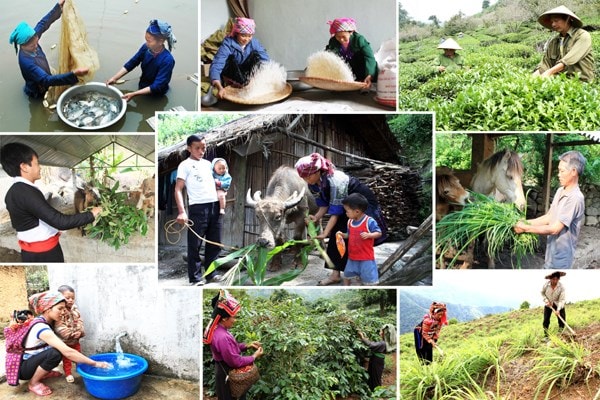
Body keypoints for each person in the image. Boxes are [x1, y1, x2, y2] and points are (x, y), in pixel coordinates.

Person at [295, 153, 388, 286]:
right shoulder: (315, 183)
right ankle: (335, 275)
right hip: (345, 205)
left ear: (317, 171)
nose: (306, 179)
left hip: (360, 204)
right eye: (303, 177)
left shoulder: (335, 181)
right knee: (337, 235)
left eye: (308, 176)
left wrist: (325, 233)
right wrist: (316, 217)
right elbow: (324, 204)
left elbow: (336, 212)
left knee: (358, 236)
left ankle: (362, 271)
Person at [0, 142, 102, 263]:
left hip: (34, 252)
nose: (40, 167)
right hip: (44, 254)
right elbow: (60, 222)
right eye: (37, 163)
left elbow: (34, 220)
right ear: (24, 167)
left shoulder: (14, 192)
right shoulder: (26, 193)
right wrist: (92, 214)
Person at [21, 291, 110, 396]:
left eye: (64, 308)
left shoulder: (47, 321)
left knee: (55, 352)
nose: (63, 312)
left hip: (32, 361)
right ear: (48, 309)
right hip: (24, 369)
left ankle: (43, 373)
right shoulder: (41, 327)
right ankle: (33, 383)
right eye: (60, 308)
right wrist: (95, 363)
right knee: (55, 353)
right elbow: (68, 352)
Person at [514, 150, 586, 269]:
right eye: (559, 170)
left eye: (562, 171)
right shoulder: (560, 191)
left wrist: (525, 228)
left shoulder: (575, 198)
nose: (558, 174)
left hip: (561, 260)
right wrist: (524, 222)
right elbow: (549, 217)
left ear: (574, 171)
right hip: (551, 253)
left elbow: (555, 229)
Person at [9, 0, 89, 99]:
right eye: (31, 46)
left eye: (36, 42)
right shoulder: (26, 62)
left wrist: (58, 7)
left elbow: (43, 23)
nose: (35, 46)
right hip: (37, 91)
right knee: (43, 98)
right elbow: (46, 80)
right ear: (22, 46)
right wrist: (74, 74)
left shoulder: (32, 36)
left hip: (44, 75)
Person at [175, 134, 223, 285]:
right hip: (198, 207)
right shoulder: (185, 165)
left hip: (214, 205)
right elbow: (178, 189)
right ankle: (195, 278)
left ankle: (211, 273)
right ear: (189, 148)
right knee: (195, 244)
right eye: (197, 148)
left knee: (215, 242)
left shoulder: (209, 164)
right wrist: (182, 211)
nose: (201, 151)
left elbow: (220, 180)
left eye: (204, 148)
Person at [203, 289, 263, 400]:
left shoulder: (220, 330)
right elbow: (235, 361)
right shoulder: (222, 337)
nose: (234, 320)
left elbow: (231, 348)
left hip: (224, 370)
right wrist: (254, 356)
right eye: (233, 317)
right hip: (227, 372)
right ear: (225, 318)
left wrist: (248, 345)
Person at [106, 19, 176, 101]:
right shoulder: (146, 48)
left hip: (156, 95)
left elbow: (157, 86)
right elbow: (132, 63)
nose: (146, 43)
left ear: (160, 42)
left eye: (149, 41)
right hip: (142, 86)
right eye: (146, 40)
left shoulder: (167, 60)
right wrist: (114, 78)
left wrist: (134, 94)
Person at [209, 17, 270, 99]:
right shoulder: (228, 43)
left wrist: (268, 76)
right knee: (231, 58)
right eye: (243, 35)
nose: (247, 39)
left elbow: (265, 59)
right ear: (237, 33)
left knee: (256, 55)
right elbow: (217, 64)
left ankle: (248, 82)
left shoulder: (254, 43)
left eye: (250, 36)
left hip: (245, 72)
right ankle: (231, 81)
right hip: (231, 71)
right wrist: (219, 87)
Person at [532, 5, 595, 82]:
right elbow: (546, 63)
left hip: (581, 82)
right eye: (552, 22)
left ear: (568, 19)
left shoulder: (582, 36)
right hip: (561, 81)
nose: (553, 24)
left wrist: (548, 73)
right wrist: (532, 78)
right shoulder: (554, 42)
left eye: (556, 20)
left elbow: (568, 60)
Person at [337, 193, 382, 285]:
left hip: (366, 257)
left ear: (357, 211)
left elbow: (379, 233)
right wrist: (342, 235)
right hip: (352, 256)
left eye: (347, 211)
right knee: (347, 274)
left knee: (369, 278)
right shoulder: (350, 222)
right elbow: (349, 235)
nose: (346, 213)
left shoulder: (369, 221)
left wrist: (370, 235)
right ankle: (346, 288)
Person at [325, 17, 377, 89]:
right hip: (347, 71)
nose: (341, 39)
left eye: (343, 36)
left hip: (362, 69)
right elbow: (328, 56)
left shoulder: (359, 39)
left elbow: (369, 57)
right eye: (338, 37)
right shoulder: (333, 41)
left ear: (351, 32)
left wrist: (369, 75)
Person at [54, 285, 84, 383]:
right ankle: (68, 373)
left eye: (73, 298)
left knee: (78, 355)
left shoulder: (75, 309)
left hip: (76, 339)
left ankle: (81, 370)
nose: (71, 300)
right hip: (65, 342)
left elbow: (80, 321)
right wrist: (70, 334)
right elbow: (59, 326)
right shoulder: (60, 312)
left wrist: (80, 331)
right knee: (67, 359)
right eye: (67, 298)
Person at [357, 324, 395, 391]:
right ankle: (372, 391)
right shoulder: (384, 342)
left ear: (385, 334)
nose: (380, 333)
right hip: (376, 360)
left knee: (375, 377)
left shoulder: (383, 343)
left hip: (377, 361)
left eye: (381, 332)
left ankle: (377, 393)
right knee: (372, 375)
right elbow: (374, 344)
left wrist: (362, 337)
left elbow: (371, 345)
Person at [541, 271, 567, 338]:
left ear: (558, 279)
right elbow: (542, 293)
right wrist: (546, 301)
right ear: (550, 279)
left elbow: (562, 300)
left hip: (558, 304)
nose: (555, 281)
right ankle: (546, 335)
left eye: (556, 279)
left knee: (562, 319)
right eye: (553, 279)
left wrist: (558, 310)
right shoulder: (546, 285)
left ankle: (560, 334)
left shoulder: (561, 287)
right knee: (546, 320)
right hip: (548, 304)